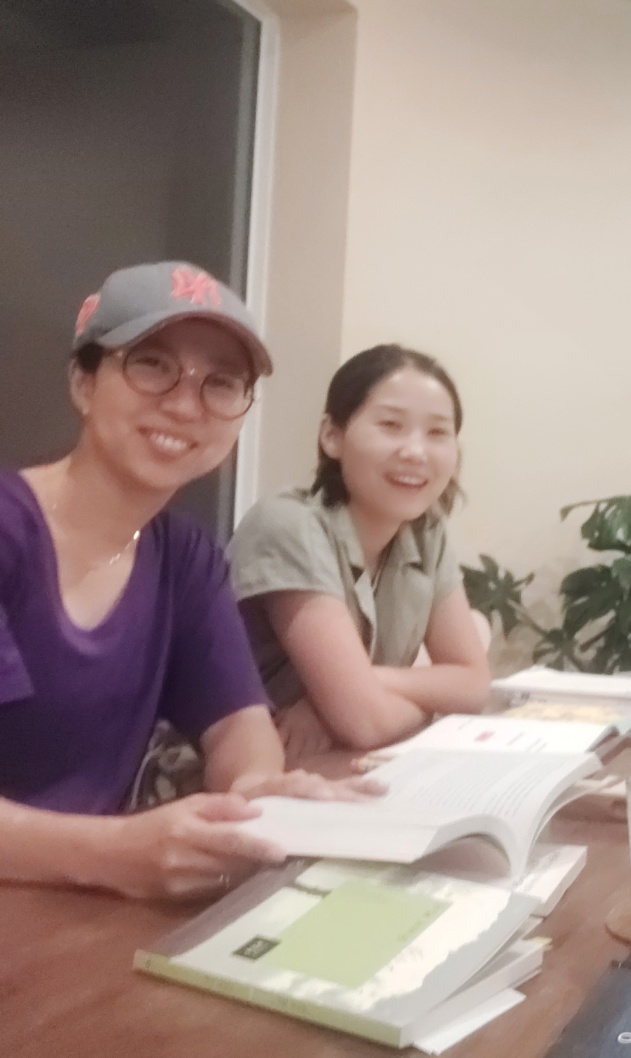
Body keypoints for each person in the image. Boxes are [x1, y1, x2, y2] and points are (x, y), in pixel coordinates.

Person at [0, 261, 376, 901]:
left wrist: (253, 789)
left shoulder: (186, 557)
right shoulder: (10, 530)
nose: (183, 404)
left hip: (72, 909)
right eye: (151, 365)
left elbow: (237, 724)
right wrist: (112, 852)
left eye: (221, 383)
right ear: (84, 383)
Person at [228, 344, 491, 765]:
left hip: (341, 766)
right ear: (332, 435)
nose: (415, 451)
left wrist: (356, 688)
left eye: (437, 432)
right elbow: (364, 722)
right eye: (391, 425)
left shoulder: (425, 531)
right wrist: (427, 706)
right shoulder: (289, 526)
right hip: (236, 775)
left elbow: (474, 684)